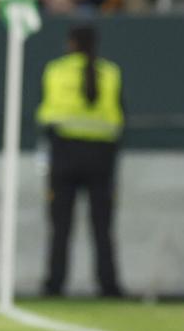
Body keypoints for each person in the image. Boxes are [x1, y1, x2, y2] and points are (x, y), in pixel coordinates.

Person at [35, 25, 125, 298]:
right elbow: (119, 117)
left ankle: (55, 284)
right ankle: (108, 285)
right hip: (101, 156)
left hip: (65, 153)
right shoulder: (110, 73)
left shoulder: (56, 70)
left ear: (70, 43)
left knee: (60, 226)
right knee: (102, 227)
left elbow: (46, 115)